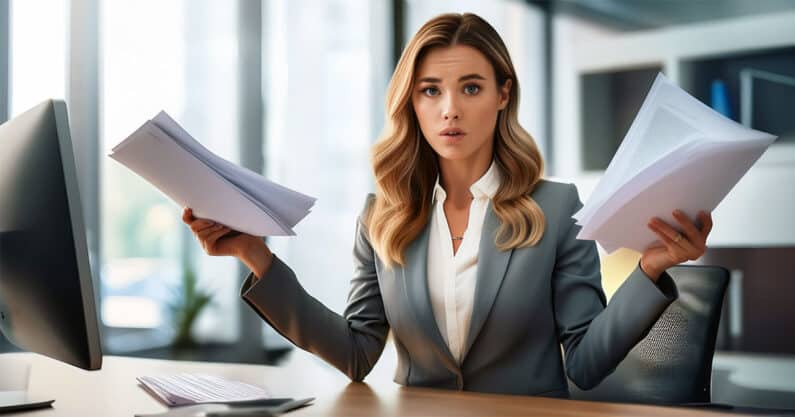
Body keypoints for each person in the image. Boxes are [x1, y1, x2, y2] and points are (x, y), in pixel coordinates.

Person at [182, 13, 713, 398]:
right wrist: (258, 258)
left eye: (471, 87)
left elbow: (587, 363)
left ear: (503, 95)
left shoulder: (554, 208)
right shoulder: (382, 216)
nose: (450, 109)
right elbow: (355, 352)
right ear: (411, 102)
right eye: (430, 91)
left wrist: (650, 268)